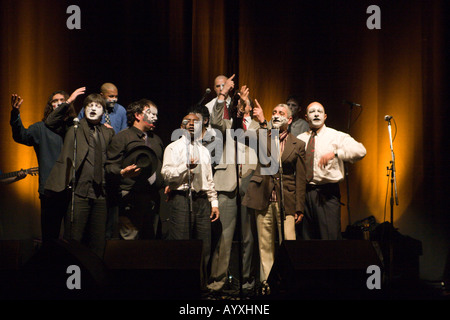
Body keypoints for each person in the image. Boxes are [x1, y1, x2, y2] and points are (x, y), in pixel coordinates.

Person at [242, 101, 306, 291]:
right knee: (265, 247)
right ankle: (267, 285)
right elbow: (246, 139)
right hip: (263, 199)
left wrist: (299, 207)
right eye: (274, 112)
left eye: (281, 112)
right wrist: (262, 123)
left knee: (288, 245)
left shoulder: (298, 144)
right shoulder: (263, 136)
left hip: (286, 201)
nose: (277, 114)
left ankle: (288, 285)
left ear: (289, 118)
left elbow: (301, 179)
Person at [44, 93, 115, 258]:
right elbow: (50, 122)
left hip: (100, 193)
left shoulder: (108, 132)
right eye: (89, 105)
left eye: (97, 106)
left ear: (104, 112)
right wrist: (68, 102)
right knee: (74, 240)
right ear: (84, 109)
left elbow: (112, 159)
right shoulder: (74, 126)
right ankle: (72, 280)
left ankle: (96, 277)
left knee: (98, 241)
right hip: (79, 191)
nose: (93, 108)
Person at [9, 88, 84, 242]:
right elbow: (21, 136)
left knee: (74, 239)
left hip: (74, 190)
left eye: (62, 101)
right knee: (50, 237)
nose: (58, 104)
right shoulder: (41, 128)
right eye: (55, 101)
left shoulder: (75, 127)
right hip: (50, 191)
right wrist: (15, 114)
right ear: (50, 106)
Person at [208, 81, 260, 293]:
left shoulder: (257, 126)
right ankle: (218, 281)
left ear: (249, 107)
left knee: (248, 238)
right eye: (237, 103)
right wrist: (224, 94)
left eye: (244, 104)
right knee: (224, 236)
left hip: (250, 184)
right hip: (227, 183)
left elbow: (263, 142)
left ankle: (246, 280)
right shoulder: (226, 125)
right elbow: (215, 118)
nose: (240, 106)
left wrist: (250, 113)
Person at [161, 113, 220, 289]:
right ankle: (180, 287)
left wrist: (214, 202)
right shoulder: (173, 148)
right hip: (181, 198)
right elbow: (166, 175)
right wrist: (184, 167)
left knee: (204, 245)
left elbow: (209, 180)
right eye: (188, 121)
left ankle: (200, 287)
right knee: (181, 244)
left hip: (201, 201)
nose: (192, 124)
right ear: (181, 125)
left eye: (196, 122)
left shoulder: (203, 151)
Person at [297, 101, 366, 240]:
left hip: (326, 194)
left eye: (319, 111)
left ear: (325, 116)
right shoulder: (300, 139)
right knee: (306, 240)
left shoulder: (336, 136)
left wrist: (336, 153)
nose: (316, 114)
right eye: (312, 112)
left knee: (329, 238)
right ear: (306, 117)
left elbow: (361, 151)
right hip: (305, 194)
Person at [105, 99, 164, 240]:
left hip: (152, 197)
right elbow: (109, 166)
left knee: (150, 241)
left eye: (157, 115)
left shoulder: (156, 140)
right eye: (152, 114)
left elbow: (160, 165)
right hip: (130, 196)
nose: (155, 118)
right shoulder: (122, 137)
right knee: (129, 242)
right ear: (138, 115)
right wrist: (122, 172)